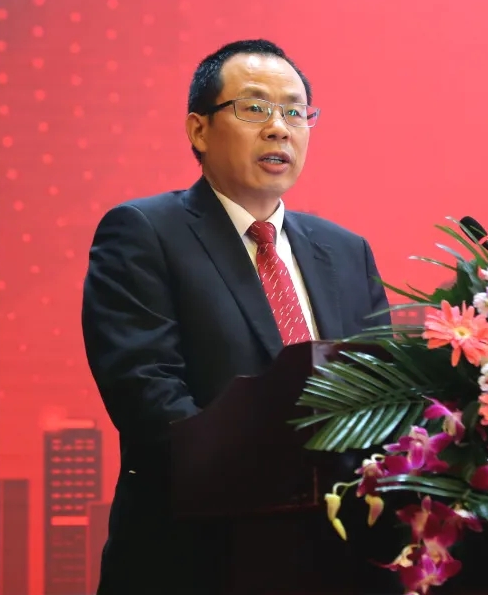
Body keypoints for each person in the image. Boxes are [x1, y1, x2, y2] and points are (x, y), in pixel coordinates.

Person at [82, 39, 391, 594]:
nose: (279, 129)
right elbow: (149, 397)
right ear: (199, 130)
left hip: (340, 560)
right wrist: (283, 483)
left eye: (294, 112)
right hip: (199, 560)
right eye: (254, 108)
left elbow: (385, 398)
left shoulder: (347, 252)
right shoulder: (144, 233)